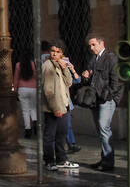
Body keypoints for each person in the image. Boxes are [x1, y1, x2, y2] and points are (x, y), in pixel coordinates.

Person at [82, 34, 122, 171]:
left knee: (104, 128)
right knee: (100, 129)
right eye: (90, 46)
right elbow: (92, 79)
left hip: (106, 99)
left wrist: (110, 95)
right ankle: (104, 159)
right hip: (95, 99)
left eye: (93, 44)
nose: (91, 48)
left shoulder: (110, 58)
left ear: (101, 43)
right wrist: (86, 75)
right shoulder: (93, 59)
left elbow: (116, 80)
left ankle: (108, 161)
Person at [41, 43, 79, 171]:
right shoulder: (48, 66)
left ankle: (62, 159)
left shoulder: (59, 65)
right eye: (52, 51)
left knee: (61, 134)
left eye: (58, 51)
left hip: (64, 105)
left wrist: (65, 68)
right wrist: (55, 107)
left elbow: (69, 82)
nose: (55, 54)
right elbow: (48, 90)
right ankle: (49, 161)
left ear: (61, 53)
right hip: (54, 107)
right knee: (50, 135)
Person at [14, 55, 38, 138]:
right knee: (33, 108)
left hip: (22, 88)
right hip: (33, 88)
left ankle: (28, 129)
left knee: (25, 111)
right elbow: (36, 76)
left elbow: (16, 79)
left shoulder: (18, 65)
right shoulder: (33, 64)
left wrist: (15, 91)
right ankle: (35, 122)